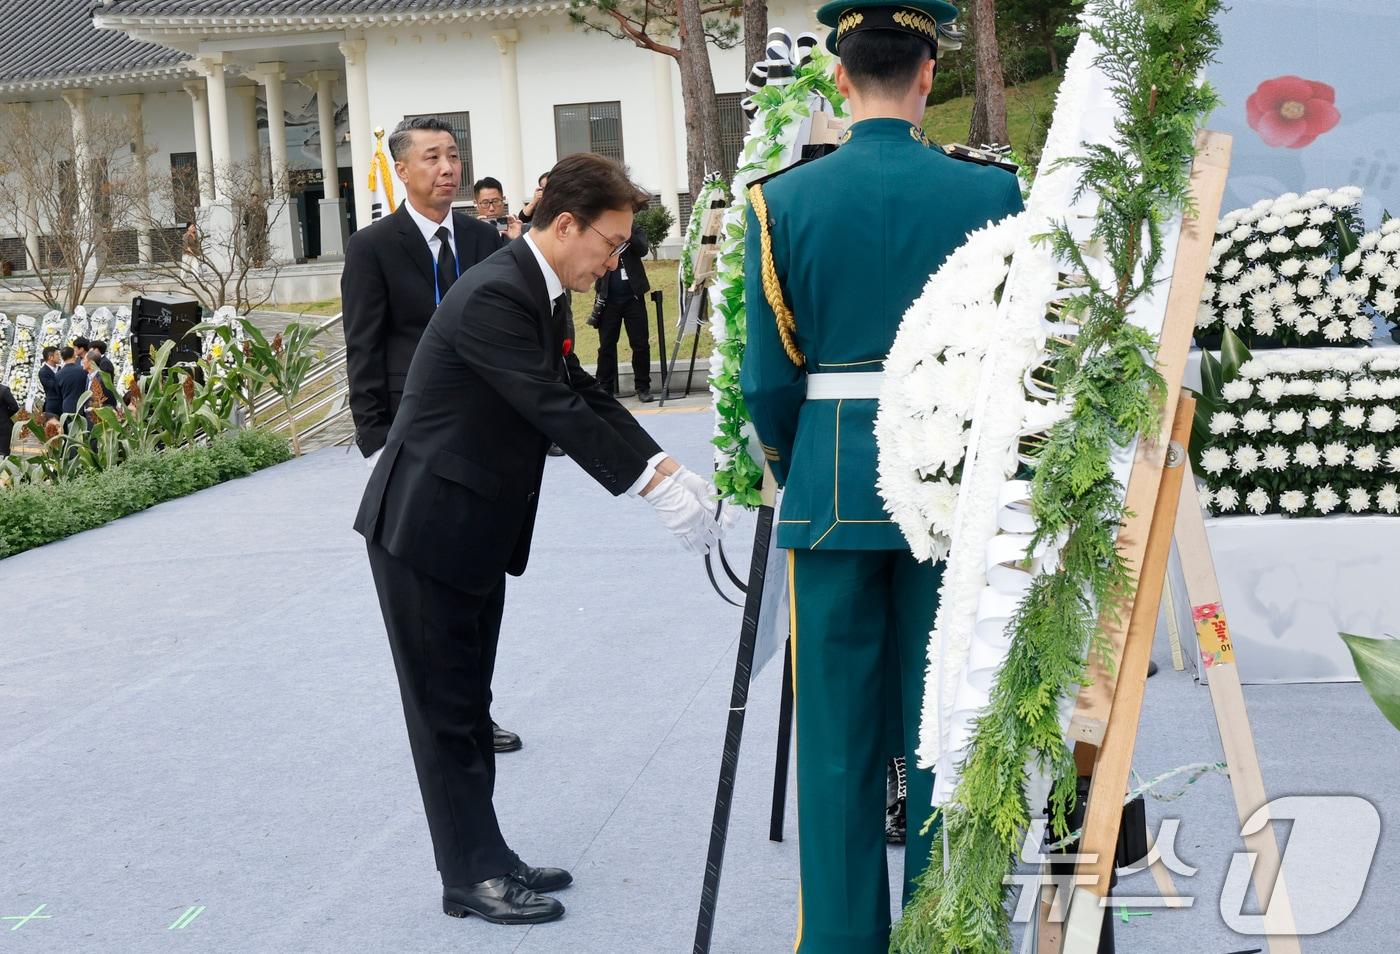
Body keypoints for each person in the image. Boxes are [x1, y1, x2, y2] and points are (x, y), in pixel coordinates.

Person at [354, 152, 723, 927]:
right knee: (446, 712)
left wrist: (662, 462)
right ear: (566, 225)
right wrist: (650, 489)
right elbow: (546, 405)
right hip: (425, 529)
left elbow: (579, 388)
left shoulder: (537, 286)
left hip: (472, 527)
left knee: (469, 700)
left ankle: (488, 853)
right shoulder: (496, 294)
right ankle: (470, 876)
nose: (617, 260)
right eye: (613, 243)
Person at [739, 2, 1025, 951]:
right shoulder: (993, 195)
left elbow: (767, 382)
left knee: (833, 750)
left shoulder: (782, 200)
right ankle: (948, 932)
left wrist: (797, 468)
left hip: (827, 489)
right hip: (958, 490)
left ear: (837, 77)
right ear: (929, 74)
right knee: (947, 730)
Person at [342, 115, 523, 753]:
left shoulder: (487, 241)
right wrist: (376, 445)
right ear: (403, 169)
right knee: (429, 590)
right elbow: (363, 348)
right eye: (432, 158)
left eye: (453, 155)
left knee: (481, 581)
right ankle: (446, 718)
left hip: (482, 439)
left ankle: (479, 709)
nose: (448, 168)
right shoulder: (373, 248)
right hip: (412, 444)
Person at [590, 216, 654, 402]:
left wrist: (626, 233)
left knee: (640, 344)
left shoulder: (634, 227)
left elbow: (642, 249)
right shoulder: (602, 227)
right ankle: (604, 387)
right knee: (607, 345)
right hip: (608, 297)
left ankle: (643, 387)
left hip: (633, 297)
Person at [56, 346, 88, 419]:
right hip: (83, 405)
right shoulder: (83, 370)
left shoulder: (58, 375)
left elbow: (58, 394)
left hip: (67, 407)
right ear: (74, 355)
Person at [38, 346, 61, 421]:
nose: (59, 357)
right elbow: (52, 386)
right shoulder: (43, 372)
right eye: (57, 354)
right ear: (50, 357)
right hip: (53, 405)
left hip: (63, 403)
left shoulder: (61, 369)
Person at [0, 381, 17, 458]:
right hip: (4, 426)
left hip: (3, 429)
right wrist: (5, 415)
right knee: (3, 455)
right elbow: (14, 407)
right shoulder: (3, 390)